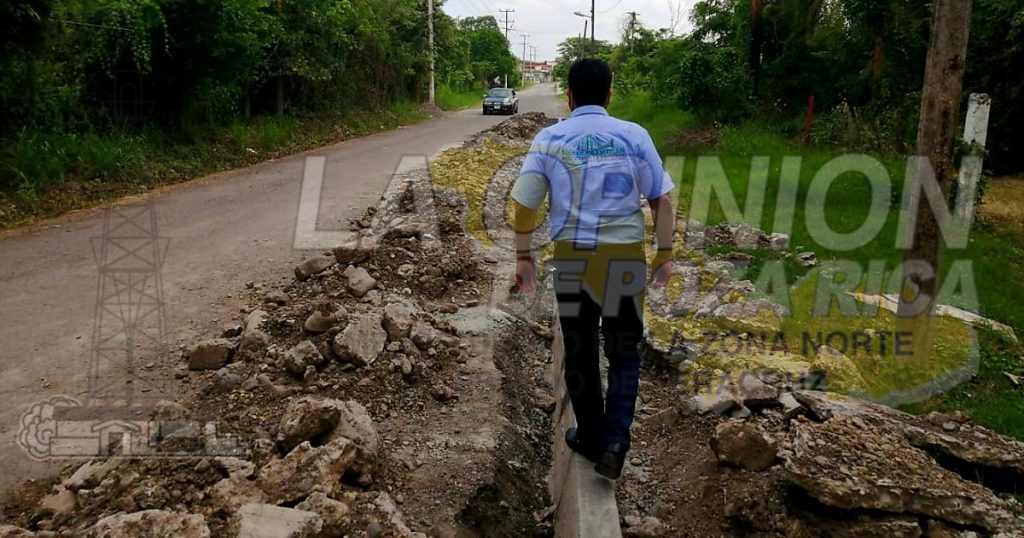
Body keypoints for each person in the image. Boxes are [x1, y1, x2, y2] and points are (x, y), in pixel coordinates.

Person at [510, 58, 675, 479]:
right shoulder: (634, 135)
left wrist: (524, 256)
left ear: (568, 95)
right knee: (623, 351)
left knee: (580, 350)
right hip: (624, 258)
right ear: (609, 93)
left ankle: (589, 435)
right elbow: (662, 201)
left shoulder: (550, 139)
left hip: (572, 257)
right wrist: (664, 251)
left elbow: (525, 204)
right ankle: (617, 439)